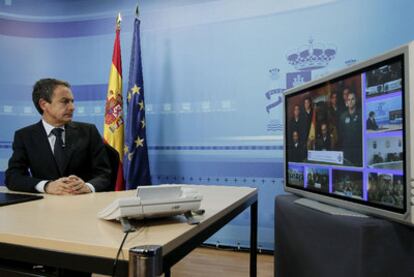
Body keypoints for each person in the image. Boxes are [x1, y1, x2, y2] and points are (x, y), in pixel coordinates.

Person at [5, 78, 111, 195]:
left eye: (72, 101)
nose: (72, 107)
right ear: (44, 104)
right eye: (65, 101)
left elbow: (105, 173)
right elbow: (13, 177)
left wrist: (88, 186)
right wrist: (46, 185)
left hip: (84, 203)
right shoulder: (25, 136)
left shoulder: (89, 131)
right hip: (43, 208)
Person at [339, 91, 362, 166]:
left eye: (353, 99)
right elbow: (341, 134)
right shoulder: (343, 117)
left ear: (356, 100)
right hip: (347, 151)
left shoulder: (361, 114)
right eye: (349, 100)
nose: (351, 101)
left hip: (358, 150)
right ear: (347, 102)